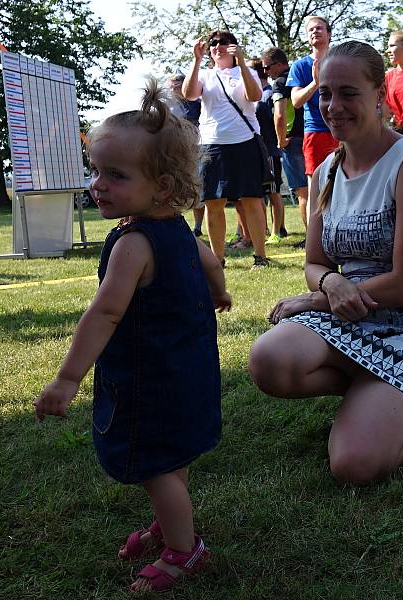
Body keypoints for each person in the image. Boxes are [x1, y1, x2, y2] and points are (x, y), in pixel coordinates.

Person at [34, 77, 231, 593]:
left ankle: (185, 552)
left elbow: (104, 314)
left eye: (115, 175)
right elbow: (209, 259)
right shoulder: (177, 229)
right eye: (96, 170)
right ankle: (172, 525)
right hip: (188, 369)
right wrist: (219, 290)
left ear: (160, 188)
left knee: (154, 465)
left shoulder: (133, 243)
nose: (98, 184)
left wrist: (66, 379)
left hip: (151, 377)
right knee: (172, 457)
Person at [248, 41, 403, 485]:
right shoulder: (328, 170)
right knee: (269, 360)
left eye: (348, 93)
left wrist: (318, 299)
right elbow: (316, 262)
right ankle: (393, 389)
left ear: (378, 95)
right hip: (349, 313)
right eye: (326, 94)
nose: (334, 106)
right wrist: (330, 285)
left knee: (354, 466)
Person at [183, 30, 270, 269]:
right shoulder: (205, 74)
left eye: (223, 42)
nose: (218, 46)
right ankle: (217, 259)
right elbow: (189, 94)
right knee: (213, 202)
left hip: (245, 141)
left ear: (234, 47)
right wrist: (196, 59)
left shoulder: (247, 72)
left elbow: (254, 95)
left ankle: (260, 257)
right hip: (212, 143)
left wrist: (241, 62)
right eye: (213, 44)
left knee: (251, 199)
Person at [287, 15, 339, 248]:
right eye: (310, 30)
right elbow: (296, 101)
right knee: (315, 185)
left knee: (348, 181)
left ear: (329, 33)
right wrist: (315, 83)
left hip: (344, 129)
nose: (315, 32)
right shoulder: (300, 66)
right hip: (315, 131)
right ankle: (315, 240)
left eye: (319, 28)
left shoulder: (341, 61)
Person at [263, 47, 304, 238]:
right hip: (310, 135)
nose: (266, 72)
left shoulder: (279, 83)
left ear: (279, 64)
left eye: (267, 67)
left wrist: (280, 140)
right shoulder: (301, 77)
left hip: (292, 140)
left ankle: (311, 237)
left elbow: (279, 115)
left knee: (302, 192)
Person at [247, 58, 286, 246]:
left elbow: (278, 119)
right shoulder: (255, 94)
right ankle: (263, 229)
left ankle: (277, 231)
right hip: (255, 150)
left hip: (269, 150)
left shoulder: (268, 94)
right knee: (258, 194)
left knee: (273, 192)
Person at [166, 73, 205, 236]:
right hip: (174, 154)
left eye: (174, 86)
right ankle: (175, 224)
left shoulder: (197, 103)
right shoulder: (167, 106)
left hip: (195, 152)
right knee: (173, 190)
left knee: (198, 191)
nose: (171, 90)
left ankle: (197, 227)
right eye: (170, 87)